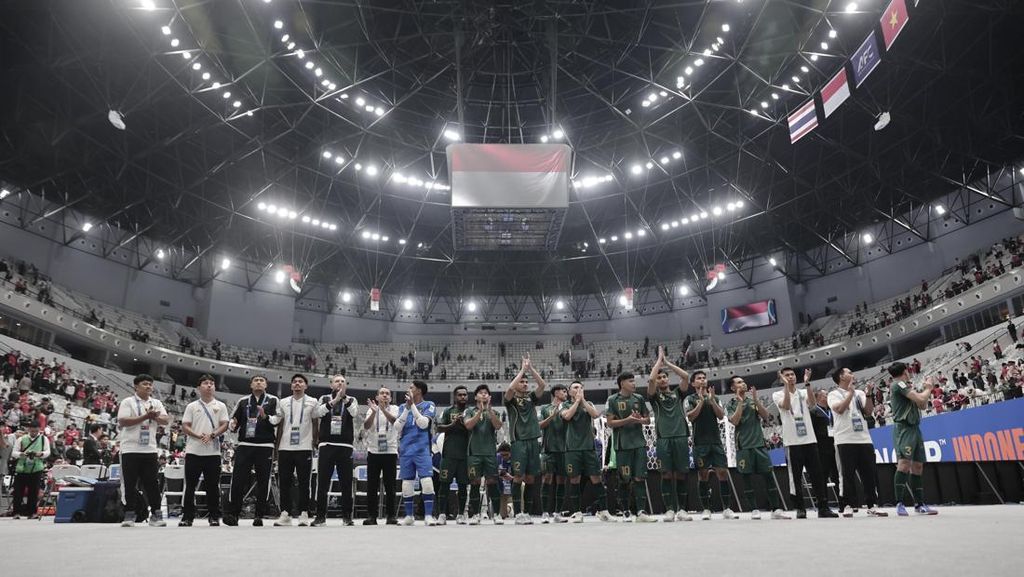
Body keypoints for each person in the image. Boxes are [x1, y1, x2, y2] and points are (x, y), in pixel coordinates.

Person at [771, 368, 838, 519]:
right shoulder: (777, 394)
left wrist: (807, 383)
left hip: (810, 440)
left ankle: (823, 506)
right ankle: (800, 507)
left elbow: (813, 404)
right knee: (795, 477)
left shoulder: (802, 392)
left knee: (817, 475)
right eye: (786, 375)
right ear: (781, 378)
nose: (790, 377)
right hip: (792, 442)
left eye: (792, 375)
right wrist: (787, 387)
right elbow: (787, 406)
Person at [726, 376, 788, 520]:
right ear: (733, 388)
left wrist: (756, 399)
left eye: (743, 381)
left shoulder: (753, 400)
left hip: (759, 444)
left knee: (768, 476)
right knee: (747, 478)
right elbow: (734, 421)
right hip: (743, 446)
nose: (743, 383)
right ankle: (754, 509)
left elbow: (766, 416)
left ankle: (776, 509)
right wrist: (741, 403)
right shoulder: (731, 404)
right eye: (739, 382)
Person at [828, 368, 886, 518]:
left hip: (864, 438)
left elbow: (868, 411)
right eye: (849, 372)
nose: (852, 375)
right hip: (844, 439)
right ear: (841, 376)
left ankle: (872, 505)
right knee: (847, 474)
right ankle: (848, 504)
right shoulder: (833, 394)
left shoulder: (859, 393)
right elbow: (840, 409)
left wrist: (868, 394)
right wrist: (850, 394)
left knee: (869, 473)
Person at [225, 375, 281, 527]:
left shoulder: (273, 400)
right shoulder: (242, 401)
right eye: (255, 380)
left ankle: (259, 515)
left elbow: (278, 419)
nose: (258, 382)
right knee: (238, 479)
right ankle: (234, 514)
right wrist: (233, 424)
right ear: (251, 384)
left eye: (262, 380)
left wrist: (265, 416)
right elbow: (233, 422)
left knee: (264, 481)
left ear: (266, 385)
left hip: (266, 446)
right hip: (244, 444)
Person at [117, 374, 171, 527]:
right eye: (145, 384)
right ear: (136, 386)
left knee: (152, 483)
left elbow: (166, 420)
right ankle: (129, 514)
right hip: (130, 448)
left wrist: (154, 417)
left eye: (150, 384)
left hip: (149, 448)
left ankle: (156, 514)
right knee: (130, 483)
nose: (148, 386)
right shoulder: (128, 402)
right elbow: (123, 421)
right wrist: (146, 416)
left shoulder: (156, 402)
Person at [646, 346, 692, 522]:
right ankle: (670, 510)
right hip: (663, 438)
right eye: (660, 377)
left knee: (681, 473)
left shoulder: (677, 394)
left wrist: (667, 363)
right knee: (666, 474)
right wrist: (658, 362)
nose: (662, 379)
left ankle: (682, 509)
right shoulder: (654, 397)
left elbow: (686, 377)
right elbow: (650, 379)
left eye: (664, 376)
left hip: (680, 436)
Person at [561, 381, 615, 522]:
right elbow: (567, 416)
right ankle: (577, 512)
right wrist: (576, 402)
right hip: (572, 449)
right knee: (575, 479)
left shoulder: (588, 403)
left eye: (581, 387)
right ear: (569, 391)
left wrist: (582, 401)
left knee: (596, 478)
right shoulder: (564, 405)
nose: (579, 389)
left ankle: (604, 511)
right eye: (575, 387)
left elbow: (596, 415)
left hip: (589, 448)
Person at [889, 363, 939, 515]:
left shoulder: (906, 386)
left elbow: (922, 405)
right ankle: (899, 503)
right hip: (903, 428)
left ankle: (919, 504)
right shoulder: (898, 384)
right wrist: (929, 387)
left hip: (915, 428)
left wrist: (925, 390)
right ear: (905, 371)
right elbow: (920, 398)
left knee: (918, 466)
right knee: (904, 464)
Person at [605, 372, 655, 522]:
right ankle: (626, 510)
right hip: (622, 445)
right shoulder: (612, 400)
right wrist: (627, 420)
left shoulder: (639, 398)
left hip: (639, 444)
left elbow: (647, 420)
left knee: (640, 477)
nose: (634, 384)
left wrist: (640, 420)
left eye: (634, 381)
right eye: (631, 381)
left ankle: (641, 512)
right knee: (625, 479)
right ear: (622, 383)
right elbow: (609, 423)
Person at [685, 371, 735, 520]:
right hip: (700, 443)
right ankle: (706, 509)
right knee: (703, 474)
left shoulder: (716, 397)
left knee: (722, 472)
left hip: (716, 441)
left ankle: (727, 508)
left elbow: (721, 416)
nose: (702, 380)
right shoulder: (690, 399)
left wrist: (711, 400)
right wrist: (701, 401)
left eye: (704, 378)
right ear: (693, 383)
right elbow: (690, 416)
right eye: (698, 379)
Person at [179, 374, 228, 527]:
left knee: (213, 487)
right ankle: (187, 517)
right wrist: (198, 435)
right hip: (194, 451)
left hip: (213, 453)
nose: (209, 385)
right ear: (199, 387)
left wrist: (212, 435)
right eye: (206, 383)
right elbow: (185, 426)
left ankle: (214, 516)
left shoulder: (221, 406)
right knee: (190, 486)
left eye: (212, 383)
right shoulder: (192, 406)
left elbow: (224, 424)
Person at [503, 355, 546, 524]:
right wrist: (521, 370)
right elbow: (509, 389)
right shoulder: (511, 401)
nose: (525, 384)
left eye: (526, 382)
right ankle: (518, 513)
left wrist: (530, 369)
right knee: (518, 477)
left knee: (530, 478)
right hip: (519, 441)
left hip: (533, 441)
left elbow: (542, 385)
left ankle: (526, 513)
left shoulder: (530, 399)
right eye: (522, 382)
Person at [312, 374, 359, 527]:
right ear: (331, 384)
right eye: (337, 381)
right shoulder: (324, 398)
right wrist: (334, 401)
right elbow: (318, 413)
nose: (340, 383)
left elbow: (354, 413)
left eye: (343, 381)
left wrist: (343, 398)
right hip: (326, 444)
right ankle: (320, 517)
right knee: (323, 482)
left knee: (346, 483)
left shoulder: (352, 399)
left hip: (345, 446)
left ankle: (347, 517)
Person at [395, 380, 437, 525]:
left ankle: (428, 515)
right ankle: (409, 516)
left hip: (422, 449)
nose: (409, 389)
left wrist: (412, 405)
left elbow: (423, 424)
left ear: (418, 391)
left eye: (411, 387)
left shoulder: (429, 405)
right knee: (407, 483)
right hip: (406, 450)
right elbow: (397, 427)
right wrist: (407, 408)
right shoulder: (402, 407)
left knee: (426, 482)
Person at [464, 383, 505, 525]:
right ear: (475, 396)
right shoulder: (469, 411)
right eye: (481, 393)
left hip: (490, 454)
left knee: (492, 483)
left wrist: (489, 410)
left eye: (486, 393)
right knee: (475, 483)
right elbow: (468, 425)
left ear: (489, 396)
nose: (483, 394)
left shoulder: (495, 412)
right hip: (474, 453)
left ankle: (497, 515)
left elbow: (498, 425)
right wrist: (480, 412)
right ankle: (475, 514)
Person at [363, 386, 399, 525]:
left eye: (387, 394)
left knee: (390, 486)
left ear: (390, 397)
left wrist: (383, 410)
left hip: (390, 451)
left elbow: (396, 423)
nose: (384, 395)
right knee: (372, 486)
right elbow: (366, 426)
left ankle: (391, 516)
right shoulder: (371, 409)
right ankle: (372, 516)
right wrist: (373, 412)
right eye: (382, 393)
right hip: (373, 451)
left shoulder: (395, 409)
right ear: (377, 397)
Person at [436, 385, 470, 525]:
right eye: (460, 395)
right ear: (455, 397)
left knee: (463, 486)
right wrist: (454, 424)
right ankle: (442, 514)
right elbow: (439, 427)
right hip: (449, 455)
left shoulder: (471, 412)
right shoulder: (447, 411)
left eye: (465, 395)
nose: (463, 397)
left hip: (465, 455)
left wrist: (464, 424)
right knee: (444, 485)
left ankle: (461, 514)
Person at [539, 383, 569, 523]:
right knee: (547, 479)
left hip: (564, 450)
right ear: (556, 393)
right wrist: (552, 416)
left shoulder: (568, 408)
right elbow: (539, 425)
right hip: (548, 449)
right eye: (563, 391)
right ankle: (545, 512)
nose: (566, 394)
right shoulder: (545, 408)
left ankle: (557, 513)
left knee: (562, 480)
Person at [11, 419, 50, 519]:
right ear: (29, 429)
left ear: (39, 430)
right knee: (18, 491)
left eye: (36, 431)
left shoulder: (43, 439)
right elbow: (14, 453)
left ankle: (32, 512)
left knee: (33, 492)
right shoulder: (21, 439)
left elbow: (47, 452)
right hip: (21, 468)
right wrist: (22, 454)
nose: (34, 433)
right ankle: (16, 512)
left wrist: (40, 454)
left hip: (36, 468)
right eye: (32, 431)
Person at [810, 389, 840, 506]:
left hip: (835, 445)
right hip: (821, 448)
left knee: (838, 475)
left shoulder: (832, 411)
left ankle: (844, 502)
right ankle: (824, 502)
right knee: (823, 476)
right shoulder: (813, 411)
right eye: (825, 395)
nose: (828, 396)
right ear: (819, 398)